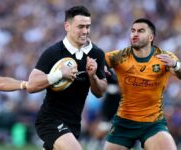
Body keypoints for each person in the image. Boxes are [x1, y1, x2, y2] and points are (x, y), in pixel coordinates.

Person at [26, 5, 107, 150]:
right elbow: (31, 85)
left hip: (73, 123)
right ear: (67, 26)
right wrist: (59, 74)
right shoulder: (53, 52)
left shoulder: (97, 54)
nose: (85, 31)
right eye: (80, 26)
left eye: (88, 26)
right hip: (49, 119)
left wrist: (93, 77)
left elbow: (100, 92)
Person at [104, 18, 181, 150]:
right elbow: (97, 62)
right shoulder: (120, 56)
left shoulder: (164, 57)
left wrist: (175, 65)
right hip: (124, 122)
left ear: (151, 37)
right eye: (133, 31)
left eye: (140, 31)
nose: (135, 34)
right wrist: (99, 67)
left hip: (153, 123)